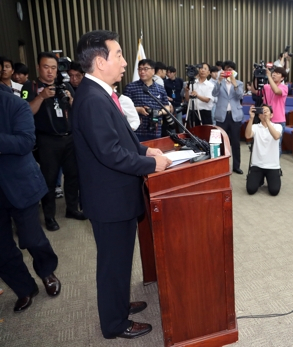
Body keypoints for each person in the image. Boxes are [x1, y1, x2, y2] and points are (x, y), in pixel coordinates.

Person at [72, 29, 172, 340]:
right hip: (109, 200)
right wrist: (150, 163)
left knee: (118, 260)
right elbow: (109, 153)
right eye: (119, 55)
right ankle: (114, 324)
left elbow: (121, 140)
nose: (126, 62)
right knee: (112, 264)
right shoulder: (92, 99)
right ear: (100, 62)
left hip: (115, 196)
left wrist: (145, 150)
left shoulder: (101, 93)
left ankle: (118, 305)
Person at [0, 57, 61, 313]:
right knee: (2, 250)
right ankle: (24, 288)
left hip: (19, 184)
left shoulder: (14, 103)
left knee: (32, 238)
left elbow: (25, 142)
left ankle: (47, 272)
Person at [22, 52, 85, 231]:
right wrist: (41, 97)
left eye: (53, 68)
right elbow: (26, 112)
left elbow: (77, 111)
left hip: (69, 137)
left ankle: (72, 208)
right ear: (38, 68)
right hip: (47, 140)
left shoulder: (65, 85)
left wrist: (71, 99)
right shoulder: (30, 86)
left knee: (73, 175)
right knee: (49, 179)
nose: (50, 72)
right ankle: (49, 216)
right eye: (46, 67)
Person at [123, 59, 172, 141]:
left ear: (153, 71)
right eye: (140, 69)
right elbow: (123, 108)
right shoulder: (130, 87)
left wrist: (159, 112)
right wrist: (138, 109)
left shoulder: (160, 88)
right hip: (137, 131)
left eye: (145, 69)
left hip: (155, 130)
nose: (142, 72)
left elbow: (167, 107)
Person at [213, 60, 244, 174]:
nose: (229, 71)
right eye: (227, 69)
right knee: (220, 142)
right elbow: (214, 94)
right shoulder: (219, 82)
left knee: (236, 143)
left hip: (235, 116)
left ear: (234, 71)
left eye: (231, 69)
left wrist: (234, 83)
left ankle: (236, 166)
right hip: (222, 116)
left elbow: (240, 95)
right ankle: (220, 166)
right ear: (224, 70)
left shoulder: (239, 83)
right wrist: (219, 81)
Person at [245, 105, 282, 196]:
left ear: (272, 115)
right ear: (259, 115)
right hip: (257, 165)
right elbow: (247, 135)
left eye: (266, 111)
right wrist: (251, 118)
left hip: (272, 166)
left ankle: (267, 178)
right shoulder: (255, 127)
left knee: (274, 191)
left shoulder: (277, 126)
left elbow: (276, 136)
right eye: (262, 111)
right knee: (250, 189)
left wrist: (267, 121)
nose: (264, 113)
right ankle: (260, 179)